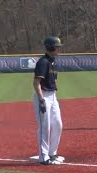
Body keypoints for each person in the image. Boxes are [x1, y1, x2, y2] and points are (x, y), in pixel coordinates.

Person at [32, 36, 65, 165]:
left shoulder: (53, 61)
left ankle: (52, 153)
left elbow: (53, 80)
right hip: (43, 96)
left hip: (52, 96)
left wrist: (53, 97)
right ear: (51, 47)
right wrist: (41, 100)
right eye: (57, 47)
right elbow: (36, 83)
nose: (59, 49)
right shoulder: (43, 62)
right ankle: (43, 156)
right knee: (44, 127)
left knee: (58, 124)